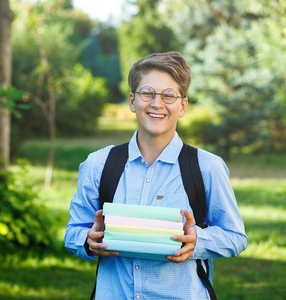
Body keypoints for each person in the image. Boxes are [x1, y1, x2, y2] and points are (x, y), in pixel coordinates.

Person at [64, 52, 247, 299]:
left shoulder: (207, 167)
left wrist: (197, 242)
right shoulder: (98, 164)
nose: (157, 104)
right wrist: (88, 240)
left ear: (182, 106)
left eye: (169, 95)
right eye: (147, 92)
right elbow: (73, 232)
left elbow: (235, 237)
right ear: (132, 101)